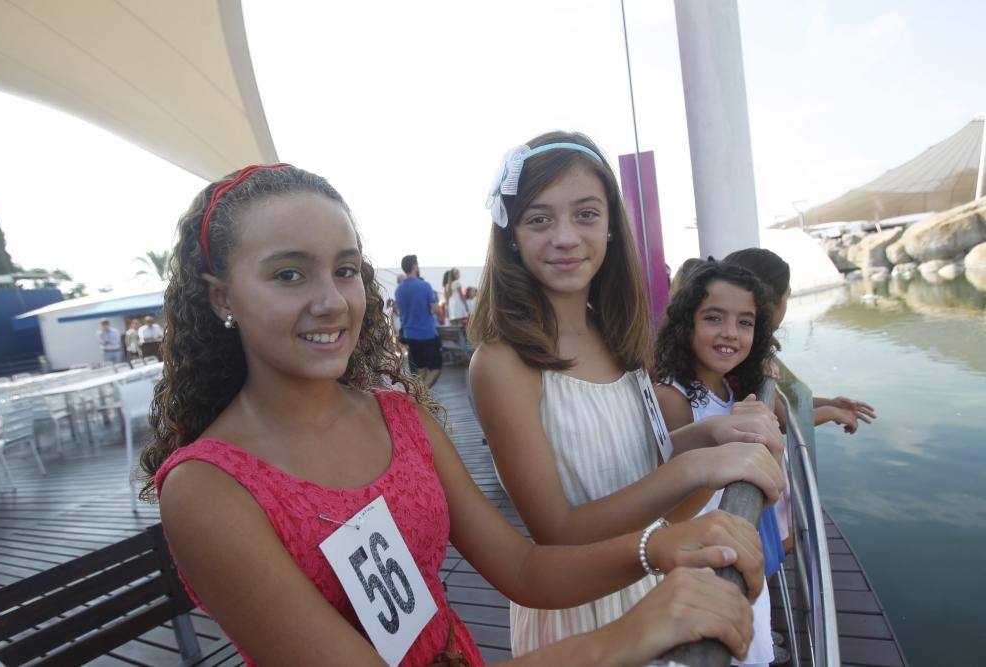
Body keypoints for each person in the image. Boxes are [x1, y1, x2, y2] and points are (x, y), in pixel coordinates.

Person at [138, 163, 764, 667]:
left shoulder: (397, 417)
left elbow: (522, 568)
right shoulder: (208, 488)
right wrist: (630, 634)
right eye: (289, 274)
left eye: (346, 270)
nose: (330, 301)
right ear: (222, 296)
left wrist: (662, 545)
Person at [468, 132, 786, 658]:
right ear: (511, 237)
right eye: (539, 219)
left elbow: (636, 460)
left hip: (653, 576)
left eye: (586, 214)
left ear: (612, 226)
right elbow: (557, 531)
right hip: (584, 607)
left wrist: (707, 433)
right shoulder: (502, 364)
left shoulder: (616, 334)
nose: (565, 237)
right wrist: (694, 469)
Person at [652, 261, 786, 667]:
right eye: (714, 318)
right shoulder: (672, 398)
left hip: (736, 549)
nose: (730, 332)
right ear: (685, 324)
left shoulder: (731, 387)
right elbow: (673, 511)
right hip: (699, 564)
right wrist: (726, 458)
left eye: (745, 323)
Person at [723, 248, 877, 434]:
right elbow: (784, 421)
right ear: (773, 303)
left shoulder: (740, 350)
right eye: (787, 295)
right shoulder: (750, 359)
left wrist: (829, 403)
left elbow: (782, 402)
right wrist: (832, 412)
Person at [395, 254, 443, 388]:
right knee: (436, 367)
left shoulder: (398, 290)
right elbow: (434, 308)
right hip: (426, 334)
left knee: (421, 369)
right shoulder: (425, 286)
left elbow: (399, 311)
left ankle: (418, 396)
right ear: (415, 266)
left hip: (410, 334)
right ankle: (421, 396)